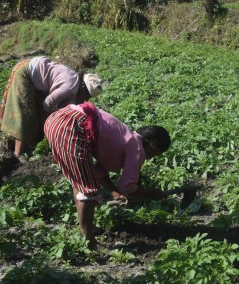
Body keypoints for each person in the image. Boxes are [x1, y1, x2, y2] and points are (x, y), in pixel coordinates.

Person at [44, 101, 170, 245]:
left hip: (57, 120)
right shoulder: (137, 148)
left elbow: (98, 171)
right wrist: (152, 193)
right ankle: (88, 240)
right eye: (156, 154)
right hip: (70, 124)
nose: (150, 158)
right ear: (153, 146)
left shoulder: (124, 139)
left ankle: (87, 229)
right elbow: (128, 187)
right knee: (88, 188)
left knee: (81, 181)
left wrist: (114, 192)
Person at [0, 55, 103, 158]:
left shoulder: (75, 82)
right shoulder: (69, 88)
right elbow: (47, 104)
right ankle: (18, 154)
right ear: (83, 89)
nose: (86, 100)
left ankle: (31, 144)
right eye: (87, 96)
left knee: (39, 113)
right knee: (26, 115)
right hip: (25, 74)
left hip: (35, 71)